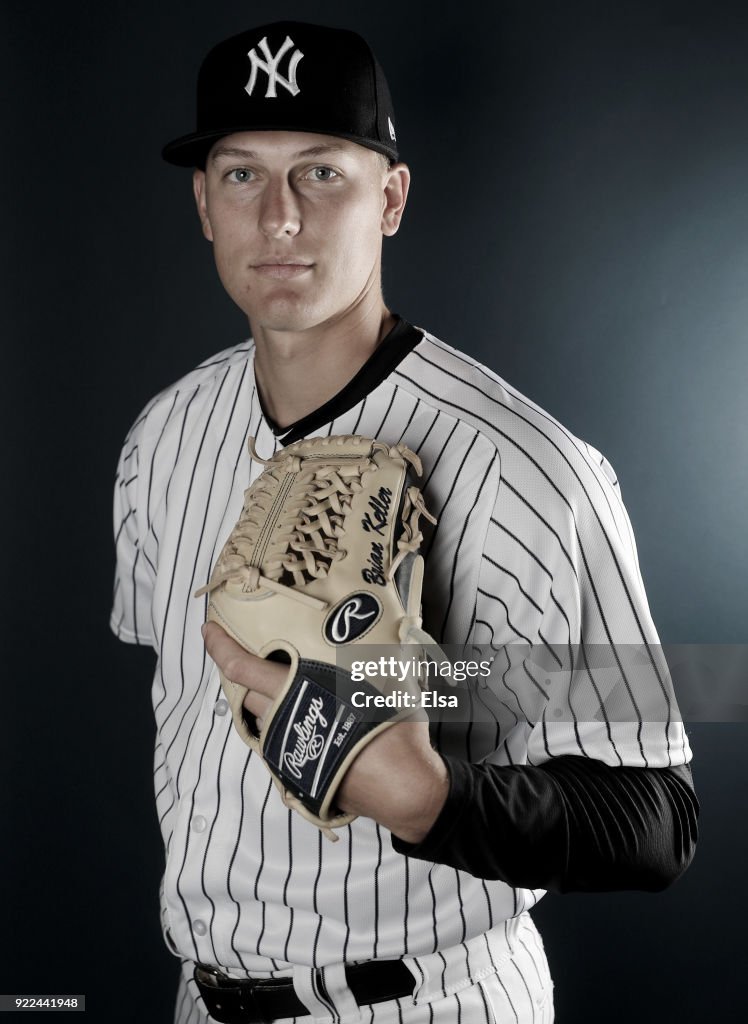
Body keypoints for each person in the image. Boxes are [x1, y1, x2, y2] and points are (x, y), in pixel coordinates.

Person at [111, 20, 698, 1024]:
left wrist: (433, 799)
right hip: (198, 999)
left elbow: (656, 818)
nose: (280, 219)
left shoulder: (531, 470)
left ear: (389, 198)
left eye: (322, 174)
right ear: (204, 204)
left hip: (424, 1002)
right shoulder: (162, 437)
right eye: (242, 175)